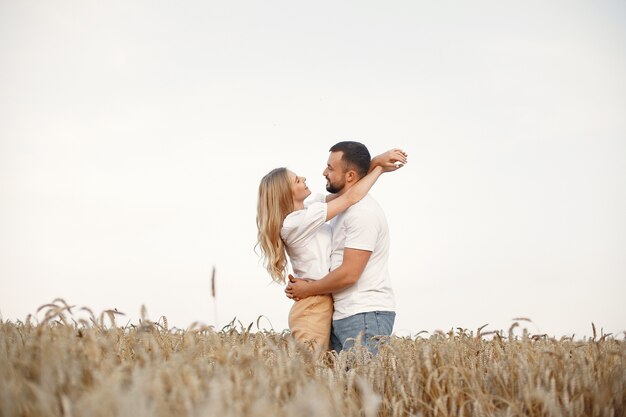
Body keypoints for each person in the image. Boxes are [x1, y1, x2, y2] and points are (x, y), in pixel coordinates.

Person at [256, 148, 406, 351]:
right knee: (313, 372)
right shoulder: (297, 222)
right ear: (286, 193)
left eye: (329, 167)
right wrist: (378, 168)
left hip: (327, 300)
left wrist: (374, 163)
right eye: (296, 180)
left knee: (326, 374)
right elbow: (351, 195)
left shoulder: (311, 210)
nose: (305, 178)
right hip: (314, 303)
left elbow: (349, 184)